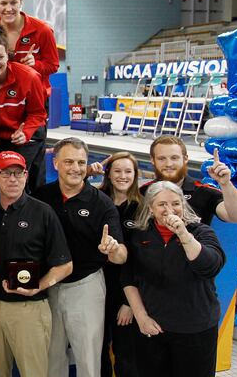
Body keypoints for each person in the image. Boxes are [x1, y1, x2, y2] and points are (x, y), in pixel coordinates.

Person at [34, 137, 127, 377]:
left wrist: (113, 249)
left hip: (85, 286)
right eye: (68, 162)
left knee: (88, 357)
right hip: (50, 285)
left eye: (81, 162)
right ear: (56, 164)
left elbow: (122, 256)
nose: (75, 168)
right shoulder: (42, 197)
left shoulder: (101, 203)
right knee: (51, 357)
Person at [0, 151, 72, 377]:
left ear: (26, 175)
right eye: (6, 173)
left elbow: (65, 265)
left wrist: (39, 286)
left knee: (34, 372)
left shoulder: (43, 212)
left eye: (18, 173)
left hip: (28, 310)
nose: (13, 179)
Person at [123, 181, 226, 377]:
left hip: (195, 329)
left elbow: (210, 266)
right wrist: (141, 316)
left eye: (176, 203)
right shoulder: (139, 235)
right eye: (162, 204)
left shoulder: (201, 232)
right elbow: (128, 277)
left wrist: (183, 234)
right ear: (151, 208)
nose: (170, 209)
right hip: (154, 328)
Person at [0, 24, 47, 197]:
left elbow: (38, 114)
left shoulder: (29, 77)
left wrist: (26, 133)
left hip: (25, 136)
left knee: (17, 177)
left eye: (0, 57)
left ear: (8, 55)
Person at [98, 153, 143, 377]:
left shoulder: (142, 207)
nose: (122, 176)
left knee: (125, 351)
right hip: (97, 287)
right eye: (117, 171)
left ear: (135, 175)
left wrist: (129, 302)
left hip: (126, 290)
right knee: (98, 350)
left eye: (128, 172)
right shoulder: (97, 199)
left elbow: (143, 258)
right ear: (109, 173)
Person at [143, 135, 237, 224]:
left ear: (185, 159)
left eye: (174, 158)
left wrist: (226, 184)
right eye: (162, 159)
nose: (169, 164)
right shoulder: (143, 193)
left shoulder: (203, 192)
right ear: (152, 160)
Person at [0, 0, 59, 96]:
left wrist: (35, 64)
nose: (8, 9)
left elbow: (53, 65)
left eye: (13, 2)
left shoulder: (42, 30)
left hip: (35, 98)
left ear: (21, 2)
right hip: (3, 101)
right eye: (3, 3)